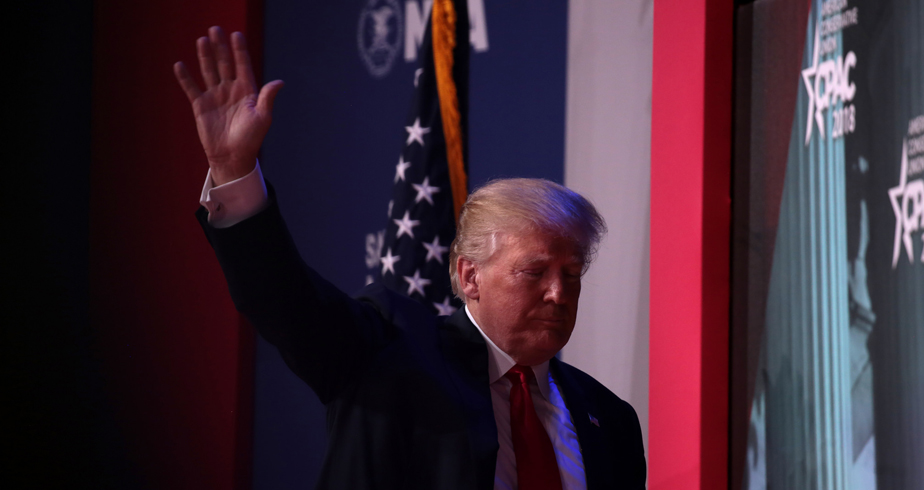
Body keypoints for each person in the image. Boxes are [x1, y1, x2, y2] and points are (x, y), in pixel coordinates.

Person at [175, 26, 646, 490]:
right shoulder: (388, 353)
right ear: (470, 275)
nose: (558, 292)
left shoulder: (608, 418)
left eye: (571, 273)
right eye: (535, 271)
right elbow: (287, 304)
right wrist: (235, 172)